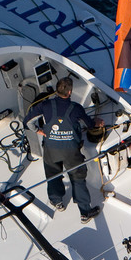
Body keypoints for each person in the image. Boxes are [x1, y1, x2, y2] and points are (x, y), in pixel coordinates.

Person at [28, 76, 103, 222]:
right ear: (70, 92)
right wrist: (97, 122)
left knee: (53, 176)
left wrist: (38, 130)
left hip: (51, 150)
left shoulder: (45, 105)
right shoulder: (76, 108)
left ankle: (57, 202)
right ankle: (85, 212)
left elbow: (28, 121)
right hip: (71, 152)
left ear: (57, 90)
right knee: (78, 179)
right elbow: (90, 124)